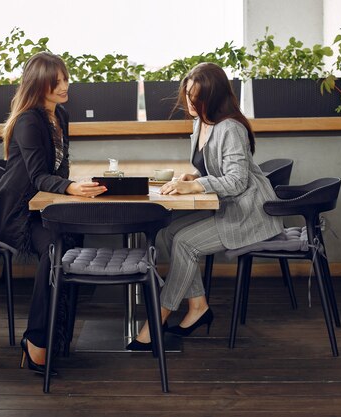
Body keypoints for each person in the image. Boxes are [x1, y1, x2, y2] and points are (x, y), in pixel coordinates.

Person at [127, 62, 283, 350]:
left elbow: (236, 181)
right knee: (170, 232)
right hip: (229, 207)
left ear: (214, 97)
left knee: (185, 243)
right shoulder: (201, 122)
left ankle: (158, 318)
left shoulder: (230, 128)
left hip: (248, 213)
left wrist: (196, 185)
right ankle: (198, 306)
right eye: (187, 94)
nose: (190, 102)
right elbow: (217, 168)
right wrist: (196, 176)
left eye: (196, 97)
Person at [0, 52, 107, 373]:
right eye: (57, 81)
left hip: (40, 207)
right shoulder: (29, 121)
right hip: (16, 213)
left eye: (65, 79)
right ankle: (36, 339)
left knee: (71, 240)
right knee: (56, 250)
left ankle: (58, 333)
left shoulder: (59, 115)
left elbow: (59, 166)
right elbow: (37, 175)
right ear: (39, 85)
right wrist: (69, 188)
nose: (65, 86)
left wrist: (69, 185)